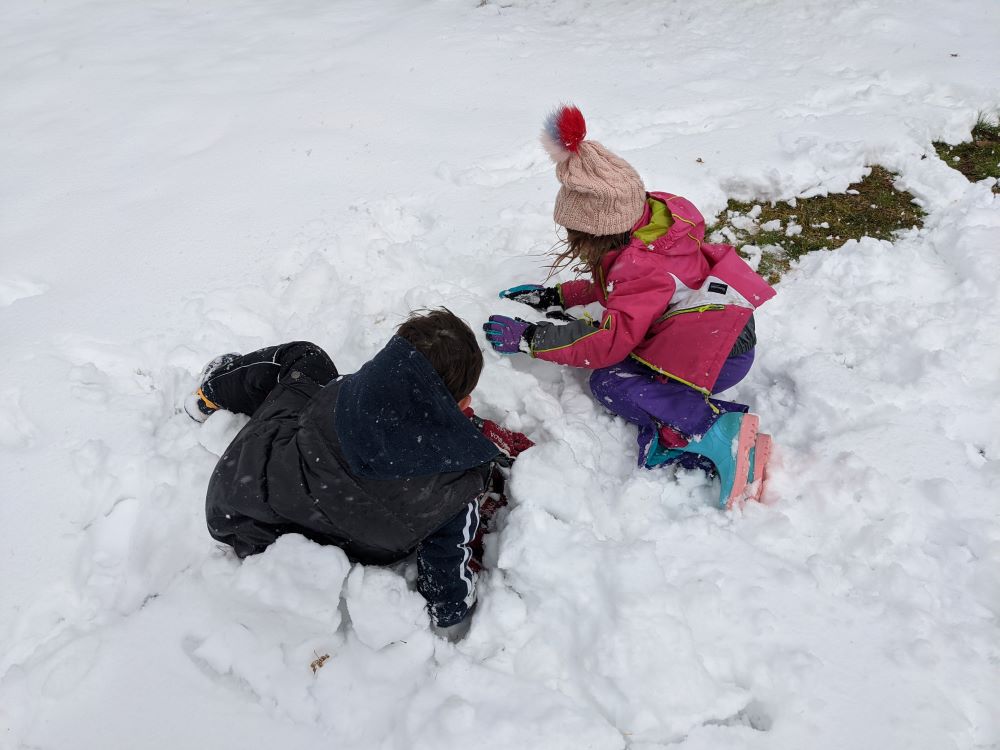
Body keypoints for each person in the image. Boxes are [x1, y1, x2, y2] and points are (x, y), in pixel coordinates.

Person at [483, 105, 775, 509]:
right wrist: (561, 297)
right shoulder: (654, 226)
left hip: (714, 355)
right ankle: (696, 424)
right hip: (719, 331)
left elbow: (609, 343)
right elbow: (622, 286)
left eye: (575, 232)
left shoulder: (641, 267)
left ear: (598, 231)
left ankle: (714, 428)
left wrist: (533, 338)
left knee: (610, 381)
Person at [186, 308, 532, 629]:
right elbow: (447, 604)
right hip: (336, 546)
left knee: (307, 360)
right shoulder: (458, 483)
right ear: (464, 405)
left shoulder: (341, 393)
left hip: (237, 500)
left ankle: (212, 391)